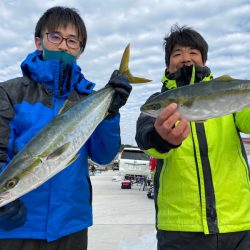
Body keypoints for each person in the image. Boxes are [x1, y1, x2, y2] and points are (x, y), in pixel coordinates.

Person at [0, 6, 132, 250]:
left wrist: (110, 113)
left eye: (72, 40)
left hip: (71, 226)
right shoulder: (9, 92)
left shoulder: (87, 99)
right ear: (39, 42)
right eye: (55, 37)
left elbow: (104, 156)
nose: (63, 46)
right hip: (16, 226)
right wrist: (5, 198)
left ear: (80, 50)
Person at [135, 24, 250, 250]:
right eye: (177, 54)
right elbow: (145, 141)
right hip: (180, 227)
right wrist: (161, 138)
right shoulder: (157, 100)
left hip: (238, 223)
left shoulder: (228, 92)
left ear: (204, 61)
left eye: (193, 52)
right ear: (168, 64)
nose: (186, 59)